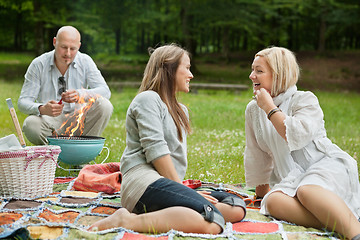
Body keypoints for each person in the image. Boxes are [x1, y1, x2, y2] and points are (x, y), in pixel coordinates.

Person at [89, 44, 246, 234]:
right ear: (169, 69)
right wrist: (184, 191)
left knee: (236, 207)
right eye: (187, 68)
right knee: (213, 223)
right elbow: (156, 151)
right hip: (142, 184)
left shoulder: (181, 111)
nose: (191, 75)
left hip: (168, 185)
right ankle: (126, 220)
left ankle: (173, 214)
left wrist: (186, 193)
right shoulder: (148, 99)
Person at [244, 46, 360, 239]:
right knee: (272, 203)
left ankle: (354, 232)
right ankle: (343, 219)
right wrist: (261, 194)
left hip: (325, 167)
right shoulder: (253, 109)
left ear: (279, 75)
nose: (251, 76)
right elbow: (257, 153)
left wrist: (270, 108)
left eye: (259, 71)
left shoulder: (305, 100)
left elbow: (295, 136)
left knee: (307, 191)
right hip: (292, 178)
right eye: (252, 69)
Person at [18, 26, 113, 145]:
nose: (68, 53)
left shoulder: (85, 61)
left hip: (79, 119)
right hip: (50, 121)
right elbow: (23, 102)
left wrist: (81, 94)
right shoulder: (38, 64)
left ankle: (82, 153)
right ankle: (52, 155)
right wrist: (42, 108)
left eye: (73, 49)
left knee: (105, 105)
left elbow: (105, 91)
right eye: (63, 47)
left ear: (79, 46)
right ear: (54, 42)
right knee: (30, 124)